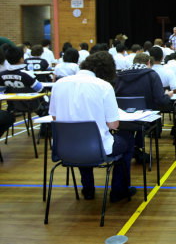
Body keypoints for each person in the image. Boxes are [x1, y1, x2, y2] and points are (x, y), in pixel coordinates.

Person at [49, 51, 135, 202]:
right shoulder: (103, 86)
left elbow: (55, 118)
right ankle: (119, 191)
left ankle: (88, 189)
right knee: (127, 139)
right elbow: (113, 124)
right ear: (108, 71)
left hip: (64, 148)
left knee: (82, 138)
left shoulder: (58, 84)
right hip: (96, 148)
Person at [115, 53, 173, 161]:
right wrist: (167, 95)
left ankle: (131, 148)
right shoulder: (152, 75)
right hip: (144, 119)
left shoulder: (120, 76)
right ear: (149, 63)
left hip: (122, 118)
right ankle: (137, 148)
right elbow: (161, 100)